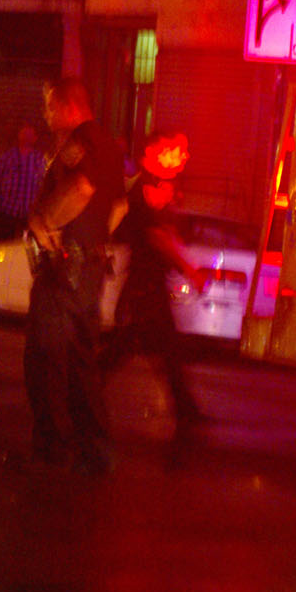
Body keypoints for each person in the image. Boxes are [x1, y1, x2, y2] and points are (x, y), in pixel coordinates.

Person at [21, 77, 126, 475]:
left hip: (64, 267)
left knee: (46, 357)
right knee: (82, 362)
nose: (46, 116)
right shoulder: (110, 148)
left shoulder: (79, 143)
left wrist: (44, 220)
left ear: (68, 107)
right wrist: (95, 238)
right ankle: (95, 449)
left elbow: (81, 188)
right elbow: (118, 206)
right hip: (90, 267)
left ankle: (51, 447)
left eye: (49, 106)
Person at [108, 132, 207, 460]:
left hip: (148, 285)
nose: (184, 157)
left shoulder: (159, 186)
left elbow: (167, 234)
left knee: (154, 349)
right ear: (154, 153)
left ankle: (186, 408)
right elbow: (157, 237)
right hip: (144, 286)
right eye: (176, 150)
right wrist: (190, 270)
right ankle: (78, 395)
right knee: (136, 348)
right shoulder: (147, 187)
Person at [0, 124, 45, 241]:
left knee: (27, 244)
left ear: (35, 138)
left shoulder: (40, 159)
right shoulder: (7, 156)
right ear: (19, 136)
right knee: (5, 242)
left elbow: (43, 182)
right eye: (25, 134)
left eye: (30, 134)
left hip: (29, 210)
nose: (27, 137)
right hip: (8, 207)